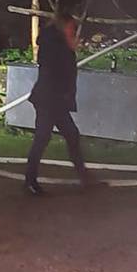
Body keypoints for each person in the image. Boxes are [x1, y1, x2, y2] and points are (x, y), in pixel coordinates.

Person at [24, 13, 100, 194]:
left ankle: (85, 178)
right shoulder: (53, 45)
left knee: (71, 135)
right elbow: (56, 69)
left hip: (55, 100)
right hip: (48, 99)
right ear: (63, 26)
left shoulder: (57, 44)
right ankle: (30, 180)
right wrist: (69, 48)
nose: (74, 31)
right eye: (72, 28)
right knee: (43, 138)